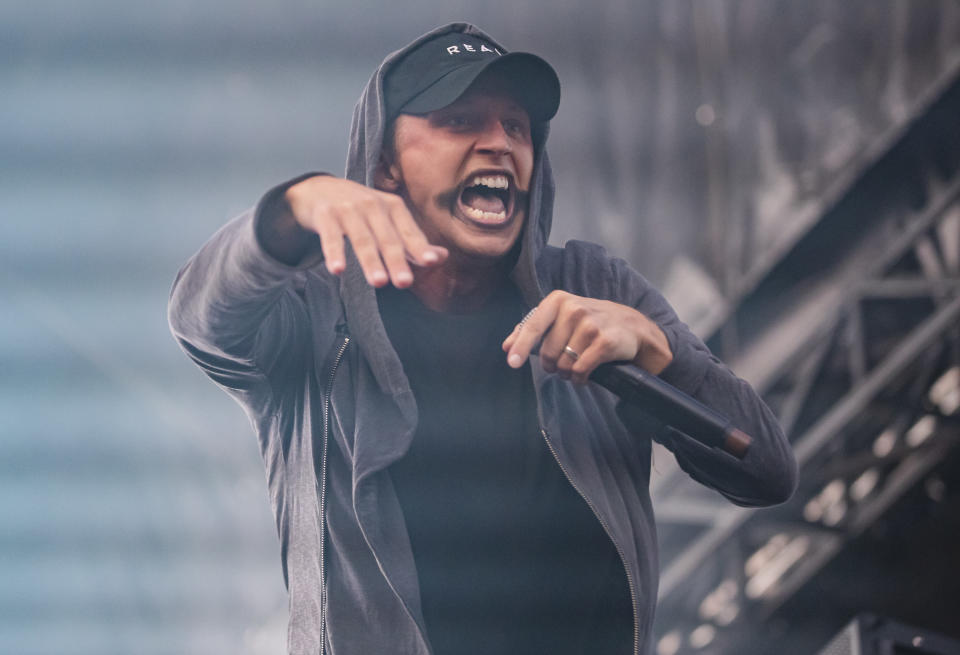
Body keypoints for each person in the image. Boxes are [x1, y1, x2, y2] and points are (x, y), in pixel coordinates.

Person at [168, 22, 797, 655]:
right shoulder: (313, 316)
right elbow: (202, 318)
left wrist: (661, 357)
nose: (499, 143)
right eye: (460, 120)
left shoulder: (589, 285)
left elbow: (766, 470)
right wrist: (290, 211)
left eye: (517, 127)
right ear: (384, 164)